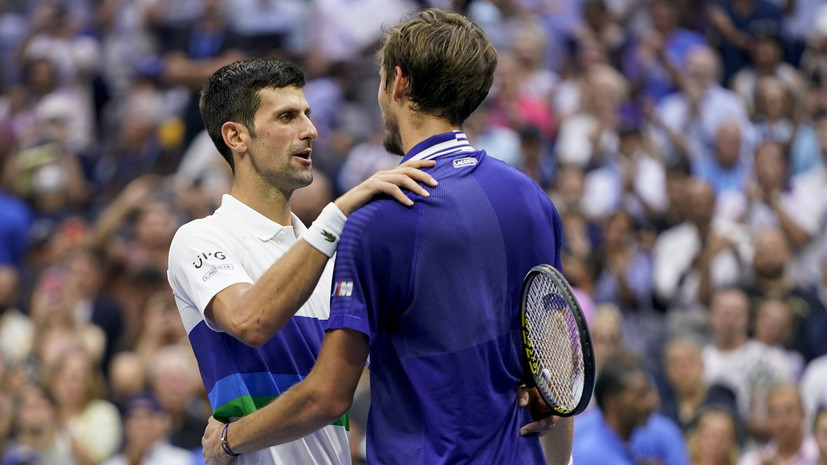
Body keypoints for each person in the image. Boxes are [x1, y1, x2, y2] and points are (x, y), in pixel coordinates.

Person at [201, 8, 572, 465]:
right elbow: (557, 374)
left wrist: (229, 439)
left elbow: (328, 397)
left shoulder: (379, 220)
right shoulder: (532, 199)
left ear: (397, 84)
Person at [166, 55, 439, 465]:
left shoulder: (331, 258)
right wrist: (338, 213)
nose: (310, 130)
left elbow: (380, 375)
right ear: (236, 137)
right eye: (288, 116)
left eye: (307, 115)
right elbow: (249, 321)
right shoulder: (200, 238)